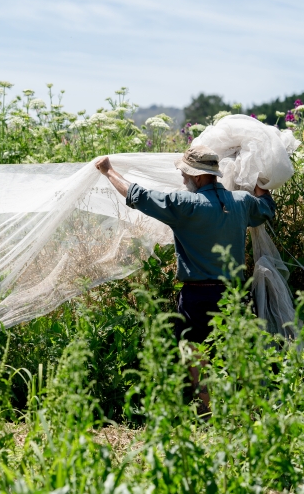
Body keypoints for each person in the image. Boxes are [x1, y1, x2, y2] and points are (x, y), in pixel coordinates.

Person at [94, 145, 276, 415]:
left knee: (196, 355)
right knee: (236, 353)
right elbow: (267, 208)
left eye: (185, 173)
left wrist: (108, 171)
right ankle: (242, 414)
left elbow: (137, 195)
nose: (182, 178)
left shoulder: (184, 205)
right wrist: (259, 182)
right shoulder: (241, 202)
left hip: (198, 297)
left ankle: (206, 412)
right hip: (235, 294)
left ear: (198, 177)